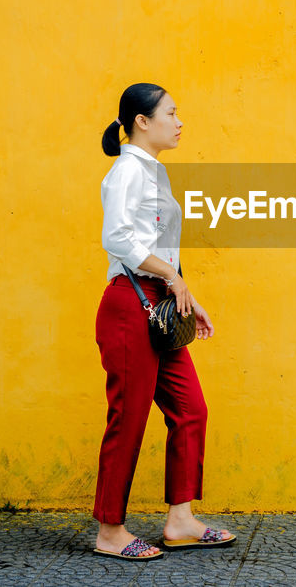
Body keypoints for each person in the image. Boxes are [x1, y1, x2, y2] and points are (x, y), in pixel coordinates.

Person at [91, 83, 235, 561]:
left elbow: (159, 247)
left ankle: (180, 519)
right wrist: (171, 276)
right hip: (130, 305)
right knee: (128, 419)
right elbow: (118, 239)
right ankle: (110, 531)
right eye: (172, 113)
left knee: (190, 408)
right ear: (141, 122)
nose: (180, 122)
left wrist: (184, 294)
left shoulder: (154, 172)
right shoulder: (126, 171)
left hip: (160, 304)